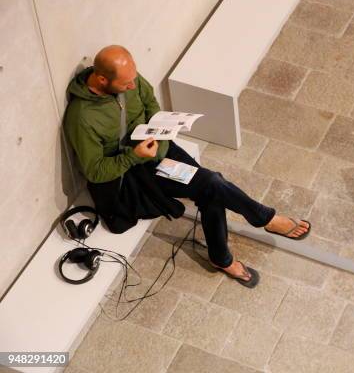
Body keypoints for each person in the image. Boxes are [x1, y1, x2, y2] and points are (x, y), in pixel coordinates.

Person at [63, 45, 311, 288]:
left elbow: (151, 106)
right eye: (126, 84)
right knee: (212, 184)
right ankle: (261, 220)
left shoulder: (131, 80)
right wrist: (135, 156)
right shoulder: (81, 118)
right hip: (134, 171)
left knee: (211, 186)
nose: (132, 85)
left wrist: (160, 138)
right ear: (103, 79)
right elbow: (95, 172)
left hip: (157, 150)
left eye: (134, 79)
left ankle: (226, 254)